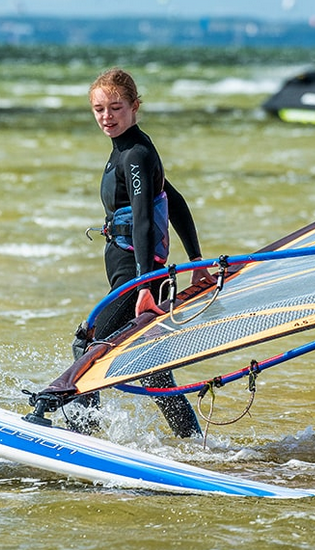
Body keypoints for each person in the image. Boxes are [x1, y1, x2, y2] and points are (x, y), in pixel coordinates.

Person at [71, 68, 213, 438]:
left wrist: (144, 285)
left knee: (88, 348)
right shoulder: (131, 149)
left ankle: (82, 436)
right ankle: (192, 442)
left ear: (135, 107)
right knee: (154, 370)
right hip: (142, 272)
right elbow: (176, 202)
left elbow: (146, 219)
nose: (107, 117)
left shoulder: (134, 153)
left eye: (116, 108)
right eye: (99, 109)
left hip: (138, 275)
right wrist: (196, 264)